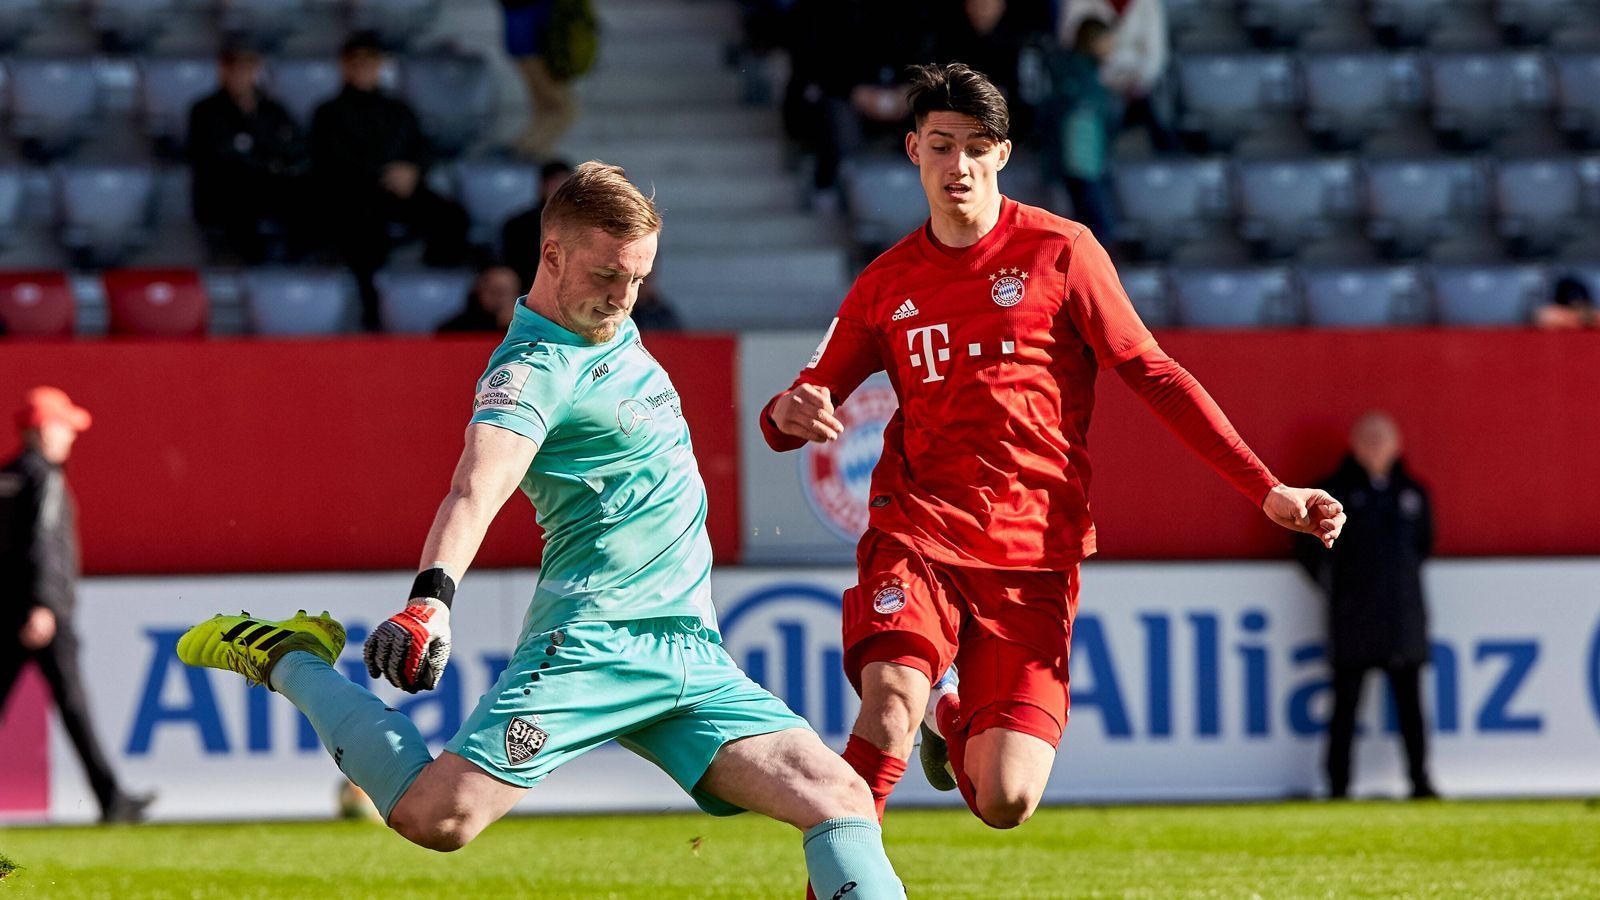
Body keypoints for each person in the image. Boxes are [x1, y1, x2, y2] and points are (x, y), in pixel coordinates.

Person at [178, 162, 904, 898]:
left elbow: (601, 224)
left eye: (639, 280)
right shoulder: (530, 371)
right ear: (550, 256)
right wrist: (430, 602)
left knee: (840, 800)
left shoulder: (608, 320)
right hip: (593, 642)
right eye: (608, 275)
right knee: (439, 818)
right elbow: (476, 484)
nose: (623, 297)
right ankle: (292, 658)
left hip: (690, 649)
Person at [759, 64, 1344, 861]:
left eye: (973, 147)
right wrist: (788, 414)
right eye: (939, 146)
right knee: (886, 705)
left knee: (1007, 798)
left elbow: (1156, 375)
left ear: (1002, 153)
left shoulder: (1061, 253)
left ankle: (951, 716)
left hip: (1034, 553)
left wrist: (1266, 488)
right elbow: (797, 402)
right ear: (913, 152)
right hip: (918, 530)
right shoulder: (885, 285)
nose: (956, 165)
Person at [0, 387, 153, 824]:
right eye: (65, 427)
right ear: (43, 430)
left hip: (9, 612)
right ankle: (113, 801)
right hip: (42, 616)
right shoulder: (45, 477)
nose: (71, 437)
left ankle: (113, 798)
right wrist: (44, 604)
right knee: (74, 706)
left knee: (68, 707)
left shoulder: (7, 477)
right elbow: (44, 544)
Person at [1296, 412, 1437, 801]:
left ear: (1397, 445)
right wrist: (1341, 591)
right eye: (1368, 440)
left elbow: (1423, 546)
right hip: (1353, 619)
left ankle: (1420, 781)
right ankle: (1338, 786)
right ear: (1354, 446)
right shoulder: (1333, 493)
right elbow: (1307, 553)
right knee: (1345, 707)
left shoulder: (1413, 493)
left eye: (1383, 440)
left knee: (1411, 707)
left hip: (1403, 618)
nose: (1376, 448)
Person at [311, 32, 472, 330]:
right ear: (345, 66)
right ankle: (372, 312)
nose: (363, 69)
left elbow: (423, 147)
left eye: (369, 62)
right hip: (355, 195)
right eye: (356, 63)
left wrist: (412, 170)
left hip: (404, 191)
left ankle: (436, 295)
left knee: (453, 216)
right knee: (360, 231)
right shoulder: (329, 112)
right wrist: (384, 174)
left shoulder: (398, 109)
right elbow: (332, 158)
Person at [187, 40, 312, 263]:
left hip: (274, 187)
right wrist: (270, 160)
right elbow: (224, 157)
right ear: (222, 70)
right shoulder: (206, 110)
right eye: (234, 67)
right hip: (228, 193)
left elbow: (295, 146)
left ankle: (299, 268)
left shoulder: (272, 108)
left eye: (247, 67)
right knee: (241, 199)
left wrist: (261, 153)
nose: (240, 74)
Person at [1057, 0, 1178, 153]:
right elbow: (1073, 46)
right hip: (1091, 86)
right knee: (1086, 106)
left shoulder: (1149, 3)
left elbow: (1155, 57)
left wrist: (1132, 78)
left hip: (1138, 88)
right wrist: (1122, 65)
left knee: (1159, 104)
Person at [1048, 17, 1121, 243]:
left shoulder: (1088, 73)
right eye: (1107, 39)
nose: (1112, 45)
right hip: (1080, 164)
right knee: (1098, 228)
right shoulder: (1077, 75)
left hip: (1087, 162)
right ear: (1093, 41)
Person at [500, 0, 594, 160]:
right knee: (564, 111)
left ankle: (523, 156)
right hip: (536, 45)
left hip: (529, 42)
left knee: (547, 110)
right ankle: (526, 158)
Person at [501, 159, 574, 288]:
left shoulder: (586, 224)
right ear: (542, 185)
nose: (559, 190)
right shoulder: (517, 226)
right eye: (555, 183)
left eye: (565, 184)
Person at [437, 264, 522, 334]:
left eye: (510, 292)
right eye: (496, 292)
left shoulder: (526, 328)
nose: (502, 299)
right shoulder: (455, 330)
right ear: (479, 291)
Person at [1532, 275, 1596, 330]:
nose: (1577, 304)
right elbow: (1540, 317)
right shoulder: (1554, 313)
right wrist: (1573, 319)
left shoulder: (1593, 314)